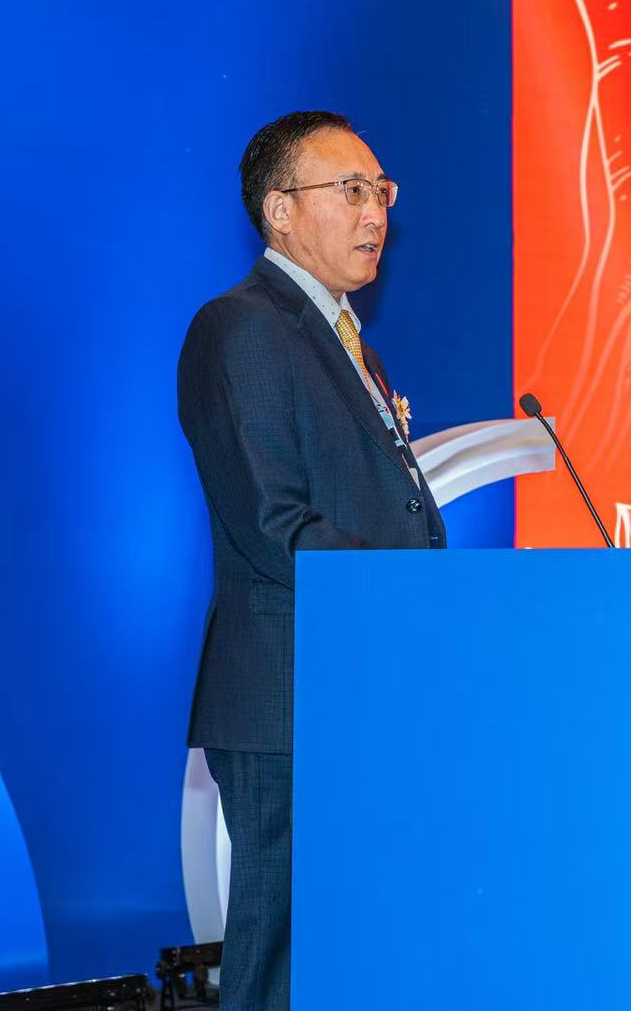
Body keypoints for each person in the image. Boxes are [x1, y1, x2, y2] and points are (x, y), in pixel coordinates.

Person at [177, 111, 446, 1009]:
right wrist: (408, 595)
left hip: (357, 679)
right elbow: (275, 523)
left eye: (382, 191)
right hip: (289, 695)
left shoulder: (343, 338)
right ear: (280, 210)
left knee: (353, 949)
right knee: (282, 962)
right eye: (351, 189)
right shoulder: (242, 328)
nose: (375, 212)